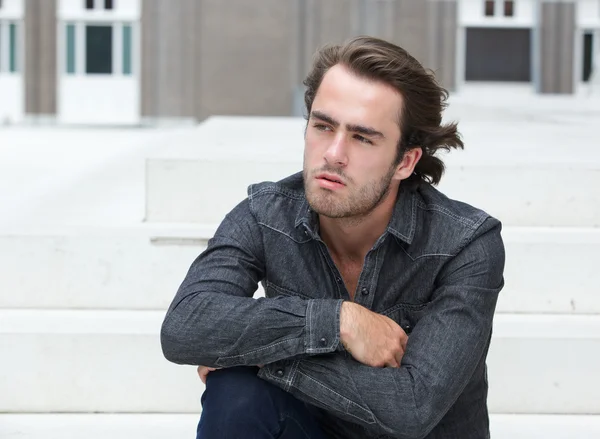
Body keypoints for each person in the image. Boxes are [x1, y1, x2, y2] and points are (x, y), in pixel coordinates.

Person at [161, 36, 505, 439]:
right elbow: (184, 326)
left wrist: (263, 359)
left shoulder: (464, 244)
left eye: (362, 137)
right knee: (236, 393)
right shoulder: (265, 215)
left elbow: (413, 405)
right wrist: (338, 320)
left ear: (406, 161)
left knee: (239, 373)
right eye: (323, 126)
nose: (333, 153)